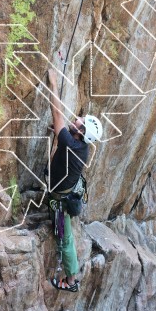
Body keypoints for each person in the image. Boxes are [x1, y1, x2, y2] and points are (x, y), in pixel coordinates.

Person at [47, 69, 103, 292]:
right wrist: (60, 134)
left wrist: (53, 84)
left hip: (60, 200)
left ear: (80, 133)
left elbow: (57, 113)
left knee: (65, 237)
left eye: (80, 122)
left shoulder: (71, 143)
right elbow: (62, 131)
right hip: (69, 189)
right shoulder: (79, 145)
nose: (77, 119)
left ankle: (70, 281)